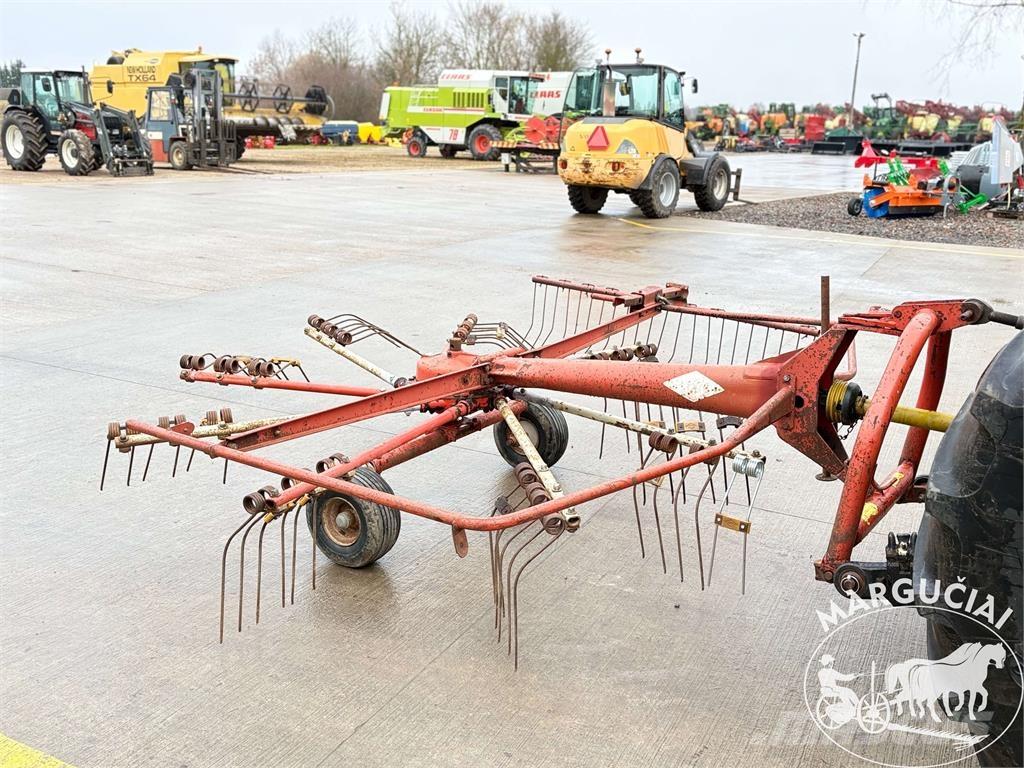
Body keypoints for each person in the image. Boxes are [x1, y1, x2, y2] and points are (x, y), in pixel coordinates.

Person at [818, 654, 861, 719]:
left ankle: (851, 709)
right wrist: (853, 675)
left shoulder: (820, 672)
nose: (832, 664)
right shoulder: (831, 672)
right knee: (848, 691)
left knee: (844, 692)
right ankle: (858, 706)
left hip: (824, 690)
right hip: (832, 689)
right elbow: (844, 678)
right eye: (832, 662)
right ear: (829, 663)